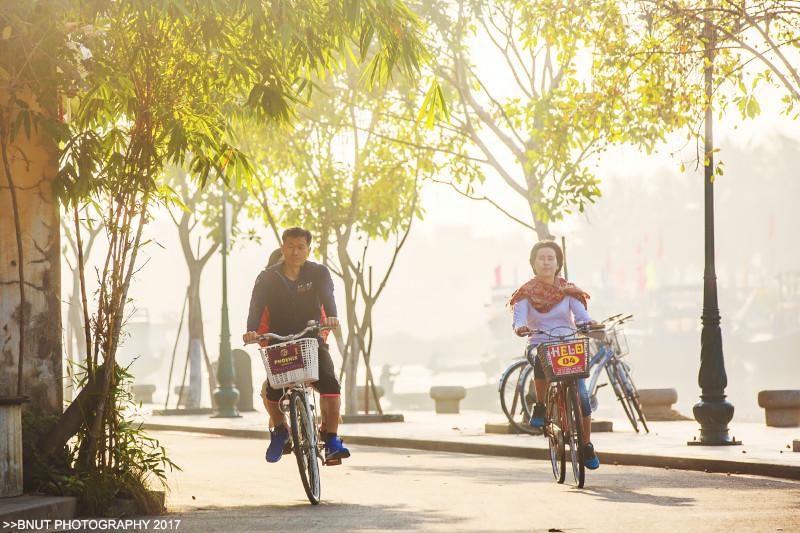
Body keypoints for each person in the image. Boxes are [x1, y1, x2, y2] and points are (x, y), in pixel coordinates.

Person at [243, 227, 350, 464]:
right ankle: (280, 430)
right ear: (283, 248)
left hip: (310, 338)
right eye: (290, 247)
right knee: (272, 389)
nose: (295, 252)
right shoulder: (267, 277)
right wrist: (251, 330)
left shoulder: (318, 273)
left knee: (331, 385)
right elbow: (256, 305)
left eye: (301, 247)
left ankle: (331, 438)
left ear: (308, 249)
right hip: (278, 342)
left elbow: (328, 296)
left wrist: (332, 316)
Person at [510, 240, 600, 470]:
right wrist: (520, 328)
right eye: (542, 258)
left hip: (568, 344)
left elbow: (580, 316)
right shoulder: (525, 294)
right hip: (540, 342)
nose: (547, 262)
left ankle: (587, 445)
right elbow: (519, 319)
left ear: (559, 263)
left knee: (582, 396)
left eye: (551, 258)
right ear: (533, 263)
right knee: (541, 356)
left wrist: (589, 323)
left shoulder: (569, 291)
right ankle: (540, 406)